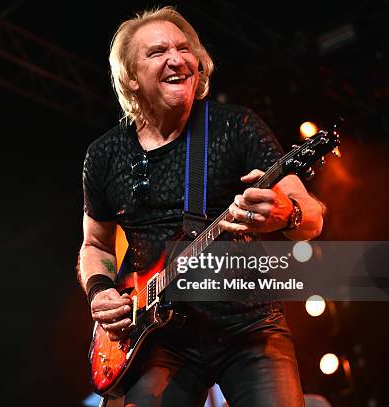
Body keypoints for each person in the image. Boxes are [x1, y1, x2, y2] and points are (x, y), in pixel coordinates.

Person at [78, 6, 324, 407]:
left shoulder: (235, 126)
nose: (177, 58)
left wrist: (287, 213)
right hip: (159, 338)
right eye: (157, 52)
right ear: (131, 78)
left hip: (249, 325)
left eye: (184, 49)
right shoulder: (104, 155)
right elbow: (95, 245)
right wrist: (100, 291)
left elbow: (309, 215)